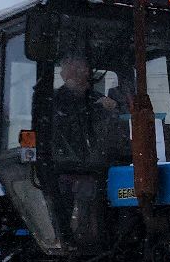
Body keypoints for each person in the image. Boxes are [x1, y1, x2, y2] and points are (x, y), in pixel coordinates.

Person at [51, 55, 120, 246]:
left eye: (82, 70)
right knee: (81, 191)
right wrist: (89, 111)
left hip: (99, 165)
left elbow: (114, 131)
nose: (78, 74)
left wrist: (112, 110)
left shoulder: (97, 98)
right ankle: (70, 238)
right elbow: (59, 129)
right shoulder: (55, 101)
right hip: (66, 166)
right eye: (71, 70)